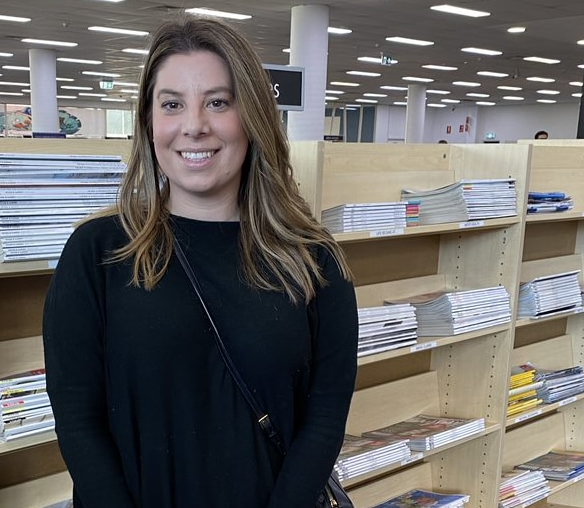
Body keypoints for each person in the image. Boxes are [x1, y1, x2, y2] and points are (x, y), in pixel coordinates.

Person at [43, 13, 359, 508]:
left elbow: (326, 416)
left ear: (252, 116)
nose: (194, 126)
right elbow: (77, 415)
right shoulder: (97, 252)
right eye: (172, 105)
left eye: (217, 102)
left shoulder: (313, 260)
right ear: (148, 121)